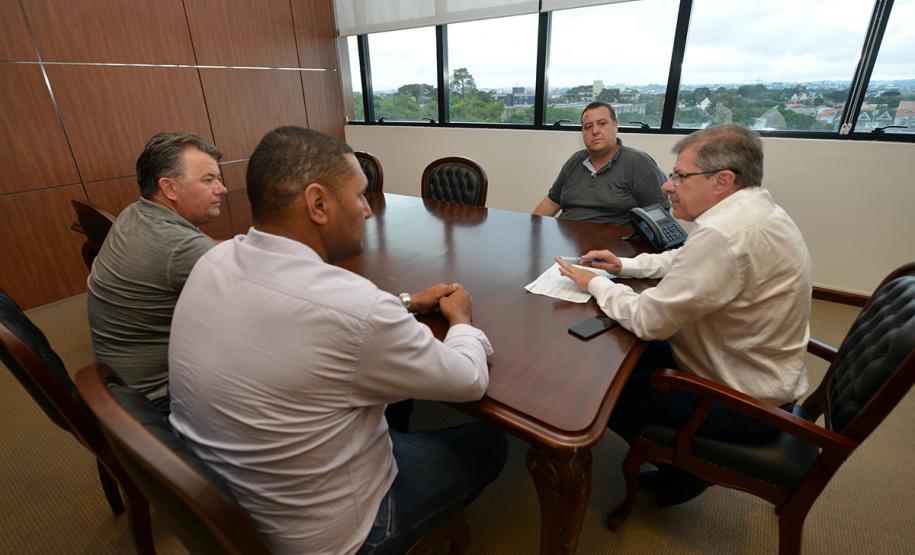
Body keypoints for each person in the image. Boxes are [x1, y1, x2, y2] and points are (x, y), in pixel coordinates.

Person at [167, 126, 508, 555]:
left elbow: (320, 314)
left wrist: (405, 302)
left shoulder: (213, 260)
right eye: (360, 195)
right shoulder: (356, 307)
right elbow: (470, 380)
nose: (366, 210)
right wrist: (460, 320)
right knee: (491, 442)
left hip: (231, 504)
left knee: (394, 398)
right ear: (318, 204)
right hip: (333, 536)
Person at [556, 124, 812, 506]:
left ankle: (685, 470)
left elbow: (648, 321)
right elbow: (686, 256)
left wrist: (596, 283)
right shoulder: (753, 209)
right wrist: (624, 266)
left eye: (679, 176)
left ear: (722, 180)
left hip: (743, 404)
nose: (667, 185)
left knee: (602, 395)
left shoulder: (725, 234)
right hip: (751, 369)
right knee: (617, 360)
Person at [87, 131, 226, 414]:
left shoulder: (136, 212)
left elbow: (203, 250)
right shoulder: (180, 248)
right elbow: (264, 295)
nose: (222, 189)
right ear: (169, 188)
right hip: (157, 399)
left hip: (118, 382)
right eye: (208, 180)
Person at [532, 101, 669, 225]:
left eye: (602, 124)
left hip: (612, 242)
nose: (595, 131)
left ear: (615, 126)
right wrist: (531, 229)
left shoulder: (639, 163)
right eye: (588, 126)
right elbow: (551, 202)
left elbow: (659, 214)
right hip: (568, 238)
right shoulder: (575, 161)